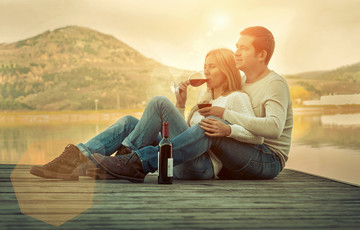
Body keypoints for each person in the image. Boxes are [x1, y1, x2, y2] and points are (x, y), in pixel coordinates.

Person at [88, 26, 293, 182]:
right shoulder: (240, 83)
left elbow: (273, 129)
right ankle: (86, 159)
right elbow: (188, 132)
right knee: (131, 122)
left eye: (243, 48)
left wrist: (226, 118)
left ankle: (136, 161)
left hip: (268, 158)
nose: (237, 52)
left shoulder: (273, 83)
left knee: (208, 122)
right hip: (215, 157)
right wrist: (182, 103)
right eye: (236, 47)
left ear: (261, 54)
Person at [30, 48, 262, 181]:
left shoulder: (236, 98)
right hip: (178, 161)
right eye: (205, 65)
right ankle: (77, 158)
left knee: (159, 103)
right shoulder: (204, 100)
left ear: (227, 69)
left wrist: (228, 129)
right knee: (131, 121)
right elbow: (181, 137)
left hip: (201, 167)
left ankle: (124, 159)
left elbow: (255, 136)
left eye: (212, 66)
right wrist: (181, 105)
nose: (206, 71)